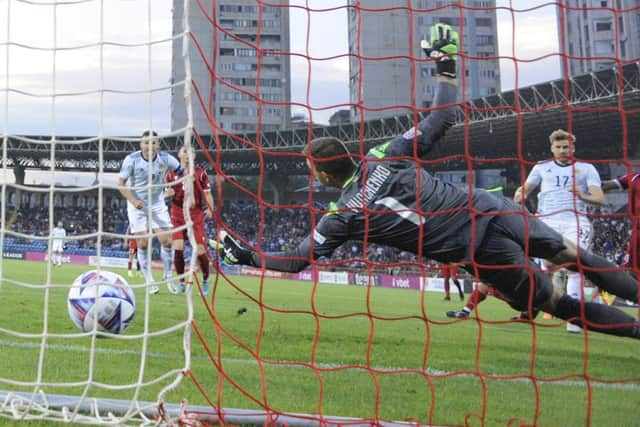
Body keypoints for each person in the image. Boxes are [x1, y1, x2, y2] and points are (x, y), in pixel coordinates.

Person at [212, 23, 640, 340]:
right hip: (489, 210)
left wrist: (245, 255)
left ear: (322, 173)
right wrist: (445, 64)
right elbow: (440, 119)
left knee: (556, 303)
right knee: (573, 254)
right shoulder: (385, 154)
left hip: (477, 250)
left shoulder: (341, 215)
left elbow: (294, 261)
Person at [513, 130, 605, 333]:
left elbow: (599, 198)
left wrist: (583, 195)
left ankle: (573, 319)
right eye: (559, 147)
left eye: (566, 147)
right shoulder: (541, 167)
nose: (563, 150)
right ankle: (540, 305)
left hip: (576, 222)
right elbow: (525, 188)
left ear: (573, 148)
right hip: (547, 221)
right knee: (547, 265)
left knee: (574, 266)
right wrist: (520, 195)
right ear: (552, 148)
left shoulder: (586, 169)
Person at [118, 130, 183, 294]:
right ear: (141, 144)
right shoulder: (131, 160)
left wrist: (174, 188)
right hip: (136, 205)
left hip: (157, 204)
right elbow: (120, 183)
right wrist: (133, 200)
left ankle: (168, 277)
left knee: (167, 241)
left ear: (158, 144)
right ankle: (150, 281)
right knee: (142, 243)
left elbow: (183, 173)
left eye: (153, 142)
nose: (150, 145)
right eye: (146, 142)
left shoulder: (166, 159)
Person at [165, 145, 214, 296]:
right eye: (184, 152)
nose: (187, 155)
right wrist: (167, 193)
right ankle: (181, 282)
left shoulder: (200, 173)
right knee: (178, 247)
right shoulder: (171, 173)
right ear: (179, 155)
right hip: (177, 212)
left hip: (196, 214)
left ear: (194, 156)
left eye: (190, 152)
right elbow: (168, 191)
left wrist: (210, 208)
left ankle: (206, 279)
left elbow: (208, 194)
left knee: (199, 250)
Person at [602, 173, 640, 272]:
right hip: (638, 233)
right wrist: (589, 183)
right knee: (629, 269)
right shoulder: (634, 177)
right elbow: (607, 185)